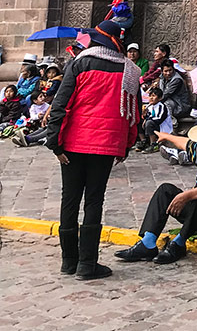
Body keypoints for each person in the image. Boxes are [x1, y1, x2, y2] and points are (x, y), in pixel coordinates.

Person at [46, 17, 140, 280]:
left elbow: (61, 105)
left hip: (73, 144)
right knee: (94, 201)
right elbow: (134, 113)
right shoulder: (129, 70)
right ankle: (88, 264)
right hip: (106, 146)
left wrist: (55, 143)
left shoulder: (80, 63)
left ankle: (68, 262)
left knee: (70, 199)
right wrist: (127, 144)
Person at [115, 117, 197, 265]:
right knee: (165, 191)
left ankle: (179, 243)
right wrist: (166, 137)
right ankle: (148, 243)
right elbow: (185, 144)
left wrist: (186, 195)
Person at [137, 86, 173, 152]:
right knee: (139, 121)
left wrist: (147, 120)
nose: (151, 98)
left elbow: (159, 118)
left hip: (161, 126)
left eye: (153, 96)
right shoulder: (150, 106)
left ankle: (153, 144)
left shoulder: (161, 106)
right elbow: (149, 116)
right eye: (150, 96)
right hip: (153, 124)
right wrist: (145, 116)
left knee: (149, 123)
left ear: (159, 98)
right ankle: (143, 141)